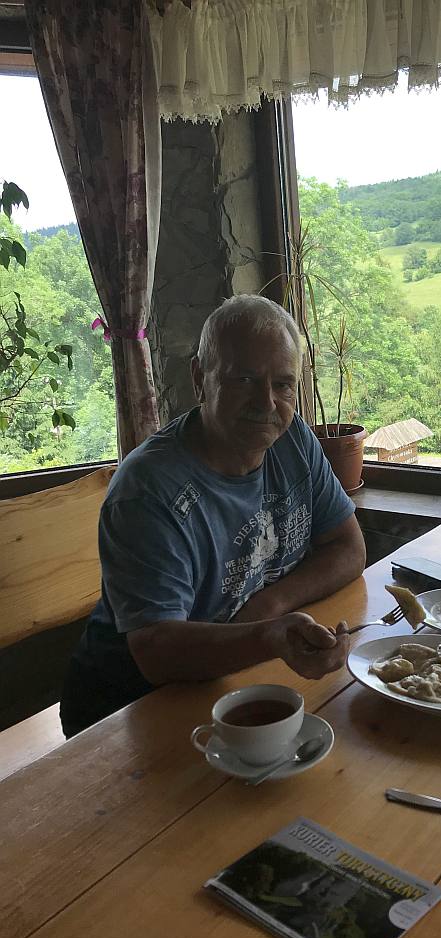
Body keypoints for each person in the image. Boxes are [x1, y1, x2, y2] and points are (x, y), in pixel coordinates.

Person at [60, 294, 366, 738]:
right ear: (199, 379)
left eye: (283, 384)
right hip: (126, 707)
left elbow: (348, 546)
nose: (267, 403)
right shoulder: (149, 490)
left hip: (231, 678)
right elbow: (156, 651)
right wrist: (268, 636)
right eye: (244, 379)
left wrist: (270, 607)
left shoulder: (293, 439)